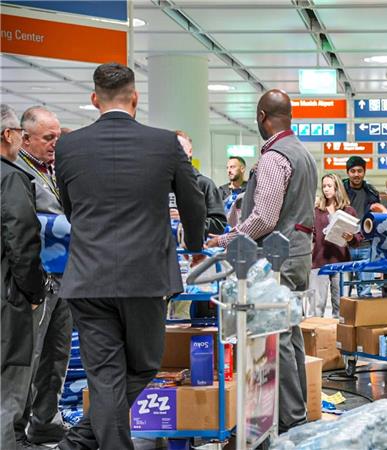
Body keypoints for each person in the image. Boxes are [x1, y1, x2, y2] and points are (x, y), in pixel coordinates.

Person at [55, 63, 206, 450]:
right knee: (144, 366)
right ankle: (87, 441)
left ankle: (82, 440)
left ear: (94, 99)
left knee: (105, 377)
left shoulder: (67, 146)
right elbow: (193, 204)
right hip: (146, 277)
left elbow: (71, 208)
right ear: (135, 97)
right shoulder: (164, 143)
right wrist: (191, 245)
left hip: (87, 277)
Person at [206, 89, 317, 433]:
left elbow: (265, 217)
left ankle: (289, 420)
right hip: (298, 253)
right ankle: (297, 414)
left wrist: (224, 239)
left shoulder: (274, 157)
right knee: (289, 331)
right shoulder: (303, 153)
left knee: (275, 336)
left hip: (276, 257)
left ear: (261, 117)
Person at [17, 106, 72, 447]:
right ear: (24, 138)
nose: (55, 143)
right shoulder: (16, 174)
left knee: (57, 351)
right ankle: (17, 429)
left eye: (57, 137)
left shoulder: (53, 170)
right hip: (36, 278)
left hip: (64, 275)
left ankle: (46, 421)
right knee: (30, 355)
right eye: (47, 138)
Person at [1, 104, 47, 450]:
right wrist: (33, 291)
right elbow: (22, 240)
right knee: (11, 376)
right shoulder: (11, 178)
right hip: (7, 297)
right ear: (9, 135)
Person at [310, 173, 360, 317]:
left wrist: (351, 238)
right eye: (324, 186)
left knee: (341, 306)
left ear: (337, 188)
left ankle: (340, 338)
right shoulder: (317, 211)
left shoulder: (348, 211)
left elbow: (357, 238)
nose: (326, 189)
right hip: (320, 261)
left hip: (341, 262)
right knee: (317, 306)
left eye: (329, 186)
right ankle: (317, 336)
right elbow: (312, 235)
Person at [174, 130, 227, 236]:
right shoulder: (162, 185)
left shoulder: (205, 185)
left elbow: (219, 225)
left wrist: (186, 220)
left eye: (180, 147)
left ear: (190, 151)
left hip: (195, 250)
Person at [342, 156, 380, 297]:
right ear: (348, 172)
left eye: (360, 171)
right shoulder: (340, 191)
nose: (356, 174)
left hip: (365, 245)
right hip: (345, 245)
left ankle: (364, 317)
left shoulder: (372, 192)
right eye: (353, 171)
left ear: (364, 172)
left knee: (365, 289)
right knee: (343, 289)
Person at [218, 156, 248, 225]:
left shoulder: (250, 189)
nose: (229, 170)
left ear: (242, 169)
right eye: (227, 168)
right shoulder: (222, 191)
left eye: (232, 167)